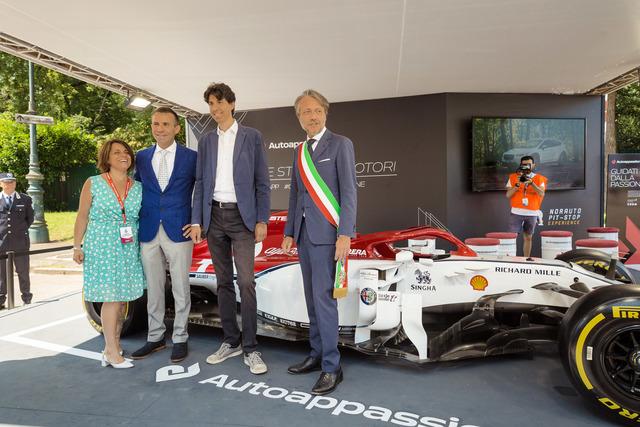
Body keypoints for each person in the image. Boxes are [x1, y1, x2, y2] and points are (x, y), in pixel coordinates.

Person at [190, 82, 270, 375]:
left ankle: (251, 348)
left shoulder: (252, 136)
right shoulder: (206, 141)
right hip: (214, 217)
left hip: (242, 218)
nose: (215, 109)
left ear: (232, 104)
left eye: (220, 102)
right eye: (211, 104)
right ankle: (230, 341)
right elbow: (200, 182)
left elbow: (262, 181)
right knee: (223, 282)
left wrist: (262, 219)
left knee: (246, 282)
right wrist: (197, 220)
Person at [281, 89, 357, 395]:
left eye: (316, 111)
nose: (311, 116)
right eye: (305, 112)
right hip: (303, 236)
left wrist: (345, 234)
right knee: (312, 300)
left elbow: (349, 191)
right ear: (299, 118)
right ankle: (316, 354)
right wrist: (289, 231)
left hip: (328, 237)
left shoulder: (340, 144)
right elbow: (295, 194)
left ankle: (331, 366)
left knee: (325, 301)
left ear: (325, 113)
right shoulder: (299, 151)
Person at [131, 107, 197, 363]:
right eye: (156, 124)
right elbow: (136, 190)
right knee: (154, 287)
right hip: (148, 230)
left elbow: (201, 191)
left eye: (166, 124)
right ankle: (155, 336)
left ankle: (180, 337)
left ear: (177, 128)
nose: (159, 129)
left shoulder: (191, 157)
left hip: (179, 228)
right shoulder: (141, 157)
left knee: (180, 286)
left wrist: (197, 221)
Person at [73, 139, 145, 368]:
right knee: (111, 298)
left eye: (126, 152)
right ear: (106, 158)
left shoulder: (137, 186)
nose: (123, 155)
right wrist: (76, 246)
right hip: (102, 245)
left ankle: (112, 346)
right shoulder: (93, 183)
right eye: (117, 152)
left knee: (122, 299)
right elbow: (82, 215)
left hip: (127, 246)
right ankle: (112, 353)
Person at [0, 172, 34, 309]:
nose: (9, 184)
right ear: (1, 184)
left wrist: (19, 231)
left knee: (23, 271)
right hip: (1, 243)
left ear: (15, 183)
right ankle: (1, 299)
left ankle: (26, 297)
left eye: (12, 182)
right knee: (1, 273)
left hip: (20, 242)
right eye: (6, 182)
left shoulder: (25, 199)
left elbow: (30, 219)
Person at [505, 155, 547, 257]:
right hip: (516, 212)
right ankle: (511, 260)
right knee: (511, 238)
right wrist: (517, 184)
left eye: (529, 164)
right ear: (521, 165)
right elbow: (508, 195)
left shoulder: (539, 178)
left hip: (532, 213)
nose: (526, 166)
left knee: (528, 237)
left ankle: (526, 260)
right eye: (524, 164)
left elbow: (541, 193)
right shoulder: (513, 177)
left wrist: (532, 183)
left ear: (533, 165)